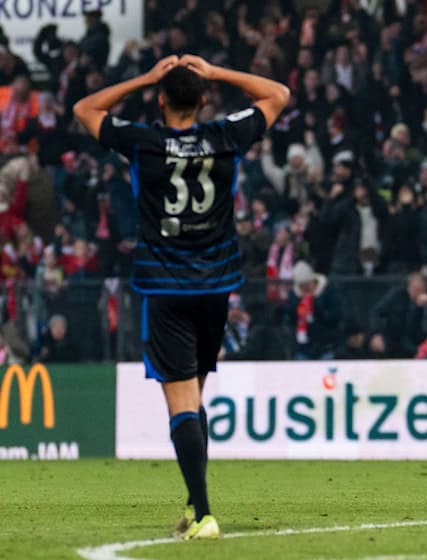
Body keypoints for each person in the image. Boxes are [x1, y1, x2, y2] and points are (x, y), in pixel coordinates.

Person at [73, 54, 289, 539]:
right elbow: (278, 94)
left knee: (182, 401)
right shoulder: (224, 135)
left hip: (164, 285)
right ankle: (195, 505)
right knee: (194, 395)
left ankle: (205, 514)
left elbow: (85, 109)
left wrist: (146, 77)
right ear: (205, 99)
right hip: (216, 286)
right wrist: (217, 71)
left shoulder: (144, 141)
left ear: (161, 99)